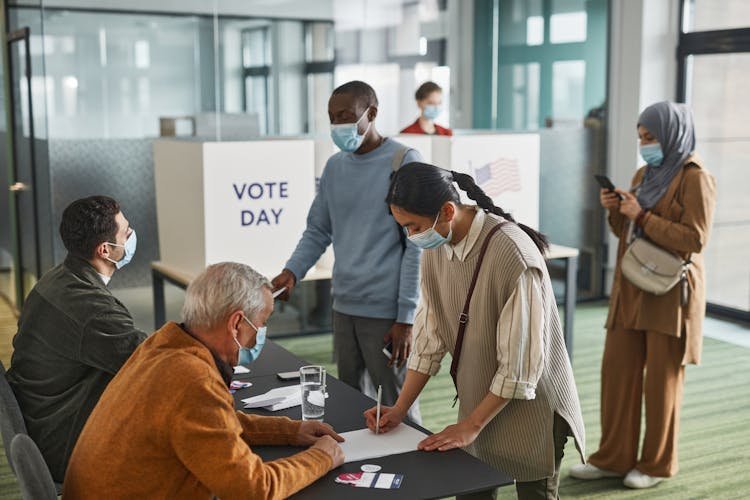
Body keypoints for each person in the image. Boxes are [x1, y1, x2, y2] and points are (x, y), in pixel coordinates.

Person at [365, 163, 585, 499]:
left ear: (447, 211)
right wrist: (399, 408)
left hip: (534, 405)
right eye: (404, 229)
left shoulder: (512, 252)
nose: (412, 237)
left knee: (535, 494)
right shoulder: (435, 248)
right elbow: (429, 340)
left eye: (414, 226)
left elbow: (519, 368)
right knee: (469, 489)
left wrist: (471, 425)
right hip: (483, 396)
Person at [63, 262, 345, 499]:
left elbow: (215, 424)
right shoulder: (193, 380)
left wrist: (290, 432)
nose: (261, 332)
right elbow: (254, 489)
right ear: (236, 323)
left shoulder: (162, 345)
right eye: (261, 322)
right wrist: (322, 458)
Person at [570, 102, 716, 489]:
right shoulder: (644, 173)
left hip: (670, 295)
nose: (644, 144)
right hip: (632, 287)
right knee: (617, 373)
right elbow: (631, 237)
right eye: (641, 137)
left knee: (661, 382)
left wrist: (641, 216)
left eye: (650, 137)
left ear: (671, 135)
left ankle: (656, 465)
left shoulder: (694, 177)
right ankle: (614, 458)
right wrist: (616, 212)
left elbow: (695, 240)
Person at [272, 80, 423, 422]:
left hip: (387, 313)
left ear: (371, 114)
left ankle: (415, 471)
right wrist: (293, 271)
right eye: (332, 117)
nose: (338, 125)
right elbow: (318, 230)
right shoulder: (335, 167)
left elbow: (416, 247)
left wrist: (406, 317)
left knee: (399, 408)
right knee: (352, 403)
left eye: (346, 116)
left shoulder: (403, 161)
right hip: (345, 307)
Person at [6, 195, 146, 483]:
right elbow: (153, 361)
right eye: (126, 232)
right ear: (105, 250)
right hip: (65, 443)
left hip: (44, 422)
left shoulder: (58, 279)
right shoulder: (92, 310)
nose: (132, 235)